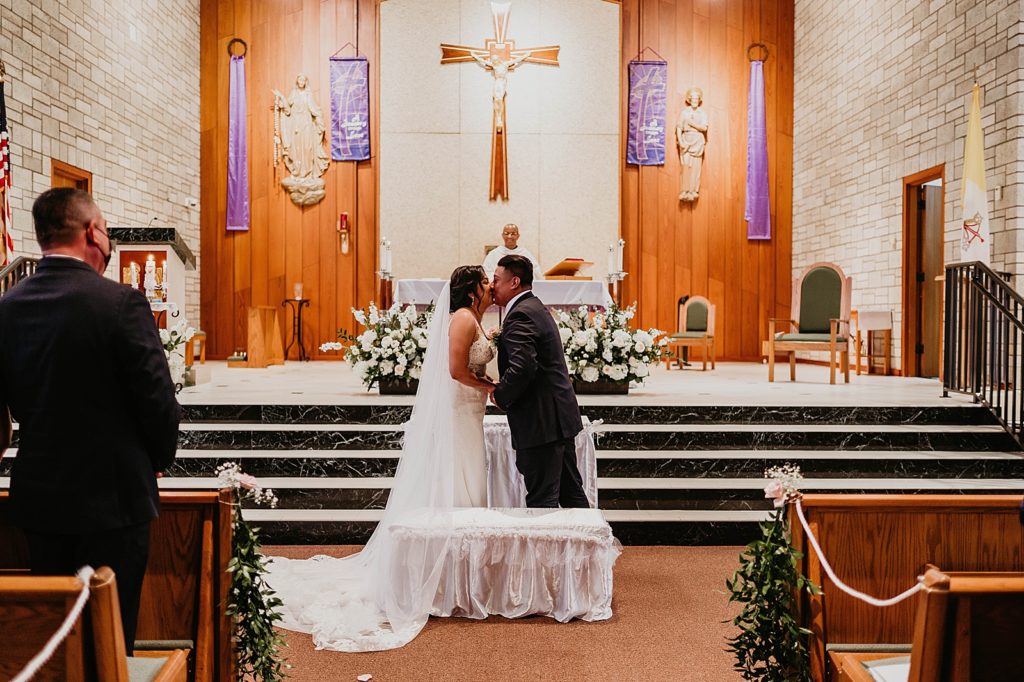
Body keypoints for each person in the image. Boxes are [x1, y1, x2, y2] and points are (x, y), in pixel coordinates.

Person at [264, 265, 495, 651]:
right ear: (472, 290)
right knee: (457, 479)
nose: (490, 286)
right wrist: (491, 384)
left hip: (470, 412)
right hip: (460, 410)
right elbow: (456, 370)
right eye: (485, 281)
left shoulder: (473, 316)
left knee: (468, 478)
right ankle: (443, 579)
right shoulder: (461, 319)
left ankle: (456, 577)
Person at [0, 188, 181, 654]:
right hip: (114, 499)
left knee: (59, 639)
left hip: (40, 496)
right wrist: (157, 459)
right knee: (110, 637)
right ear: (92, 232)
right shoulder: (120, 303)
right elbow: (158, 402)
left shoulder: (7, 308)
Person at [490, 255, 589, 508]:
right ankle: (588, 548)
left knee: (542, 499)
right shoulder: (533, 307)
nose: (492, 286)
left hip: (542, 423)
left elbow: (523, 368)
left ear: (514, 282)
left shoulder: (521, 315)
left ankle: (551, 549)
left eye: (496, 280)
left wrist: (500, 394)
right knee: (570, 495)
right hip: (556, 418)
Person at [676, 87, 708, 202]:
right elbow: (679, 128)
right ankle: (685, 190)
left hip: (698, 141)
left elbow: (704, 127)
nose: (695, 100)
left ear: (699, 100)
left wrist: (692, 123)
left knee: (696, 167)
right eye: (693, 98)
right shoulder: (684, 113)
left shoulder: (702, 113)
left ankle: (694, 190)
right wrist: (681, 141)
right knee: (686, 166)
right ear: (689, 99)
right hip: (686, 140)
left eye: (697, 98)